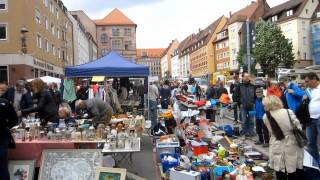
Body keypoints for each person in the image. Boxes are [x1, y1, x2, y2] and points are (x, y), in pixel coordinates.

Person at [262, 95, 304, 180]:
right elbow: (298, 126)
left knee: (279, 168)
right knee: (294, 166)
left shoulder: (266, 116)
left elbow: (269, 131)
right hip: (292, 142)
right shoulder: (288, 111)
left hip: (276, 142)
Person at [0, 97, 18, 180]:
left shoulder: (5, 102)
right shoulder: (5, 102)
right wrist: (5, 126)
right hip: (2, 136)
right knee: (2, 166)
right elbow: (14, 120)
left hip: (2, 137)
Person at [304, 72, 320, 164]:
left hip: (319, 118)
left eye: (307, 81)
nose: (306, 84)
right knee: (310, 142)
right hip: (310, 119)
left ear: (314, 79)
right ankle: (314, 163)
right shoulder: (309, 90)